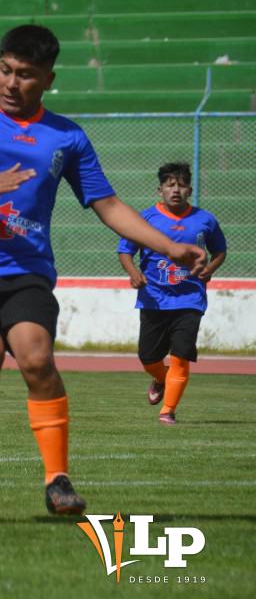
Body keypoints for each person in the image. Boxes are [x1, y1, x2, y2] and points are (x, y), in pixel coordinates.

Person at [0, 24, 206, 521]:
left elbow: (108, 205)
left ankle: (57, 479)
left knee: (36, 358)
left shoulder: (66, 136)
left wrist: (169, 246)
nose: (11, 82)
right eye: (5, 69)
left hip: (26, 269)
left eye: (26, 74)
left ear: (48, 79)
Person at [117, 162, 226, 426]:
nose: (175, 190)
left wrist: (209, 269)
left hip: (190, 299)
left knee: (181, 355)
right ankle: (159, 377)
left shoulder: (205, 220)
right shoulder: (145, 219)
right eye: (170, 185)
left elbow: (220, 251)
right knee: (148, 357)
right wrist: (133, 273)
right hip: (153, 298)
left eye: (181, 185)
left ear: (189, 190)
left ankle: (168, 411)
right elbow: (125, 250)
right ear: (160, 190)